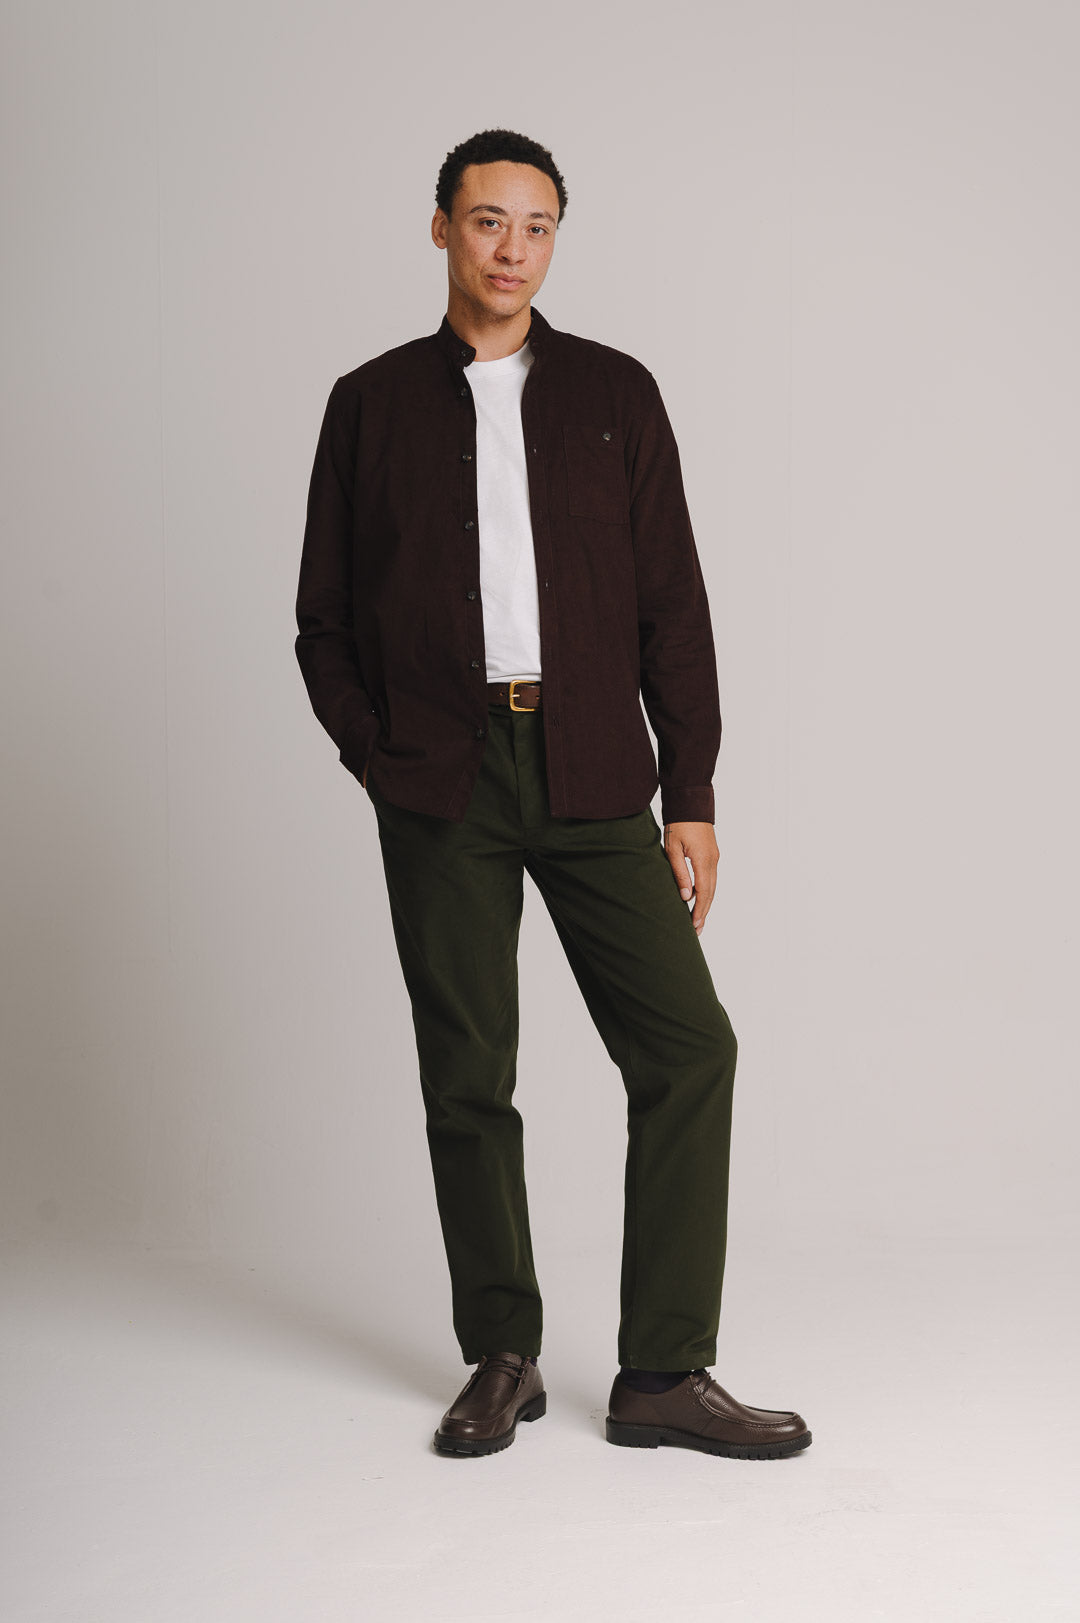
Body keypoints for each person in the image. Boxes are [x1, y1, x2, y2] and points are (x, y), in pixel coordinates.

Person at [294, 128, 811, 1461]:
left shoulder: (615, 394)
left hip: (590, 766)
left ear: (555, 240)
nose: (511, 249)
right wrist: (379, 754)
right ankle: (503, 1356)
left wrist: (690, 791)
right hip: (441, 779)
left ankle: (664, 1373)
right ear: (441, 229)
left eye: (536, 226)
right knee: (468, 1074)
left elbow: (672, 603)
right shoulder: (370, 403)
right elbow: (323, 619)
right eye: (487, 221)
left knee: (688, 1049)